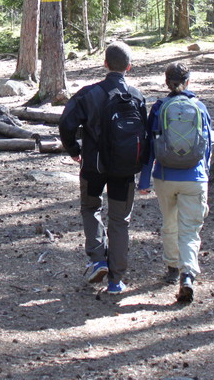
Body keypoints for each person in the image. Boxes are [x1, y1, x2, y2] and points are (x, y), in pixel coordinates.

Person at [59, 41, 148, 295]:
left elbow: (66, 123)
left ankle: (98, 260)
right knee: (120, 220)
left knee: (90, 207)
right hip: (125, 170)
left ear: (105, 64)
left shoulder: (89, 94)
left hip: (93, 168)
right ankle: (116, 280)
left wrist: (75, 150)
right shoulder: (137, 97)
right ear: (129, 67)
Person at [138, 62, 214, 303]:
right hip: (195, 178)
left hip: (165, 176)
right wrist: (205, 172)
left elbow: (150, 145)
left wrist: (144, 179)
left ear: (166, 82)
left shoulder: (160, 107)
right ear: (188, 81)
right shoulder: (200, 107)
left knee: (169, 223)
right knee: (190, 230)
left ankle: (172, 267)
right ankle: (187, 274)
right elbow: (207, 146)